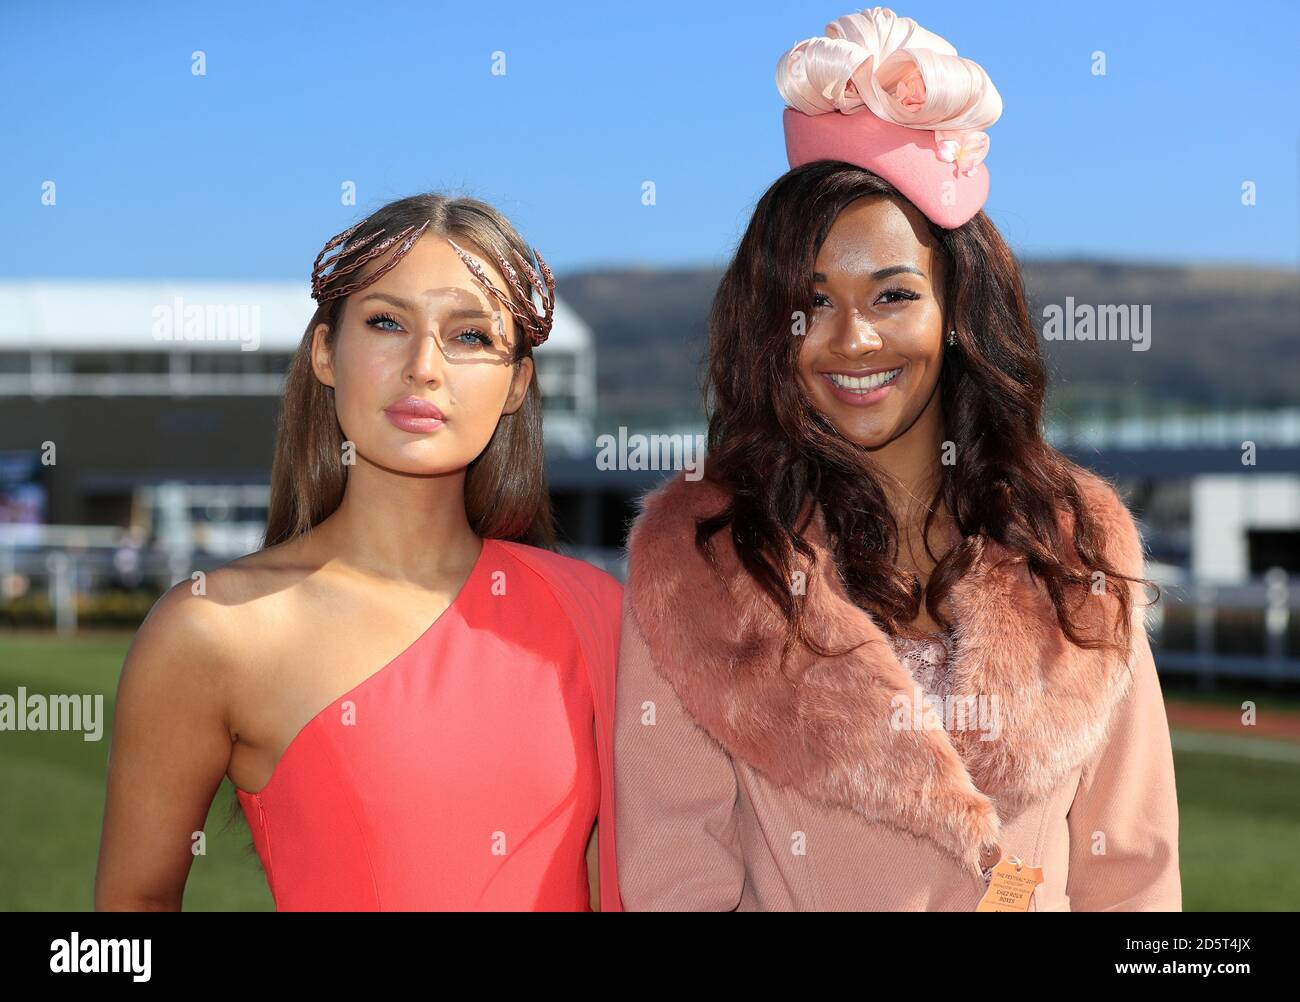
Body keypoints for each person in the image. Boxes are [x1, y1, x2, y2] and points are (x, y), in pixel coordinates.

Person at [614, 6, 1180, 911]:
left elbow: (1137, 879)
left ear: (957, 309)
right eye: (811, 302)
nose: (852, 338)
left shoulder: (1076, 545)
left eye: (893, 293)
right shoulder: (702, 561)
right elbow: (674, 885)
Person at [94, 193, 622, 911]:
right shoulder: (213, 629)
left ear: (516, 384)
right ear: (325, 352)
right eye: (385, 322)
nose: (424, 367)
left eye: (469, 336)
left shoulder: (600, 616)